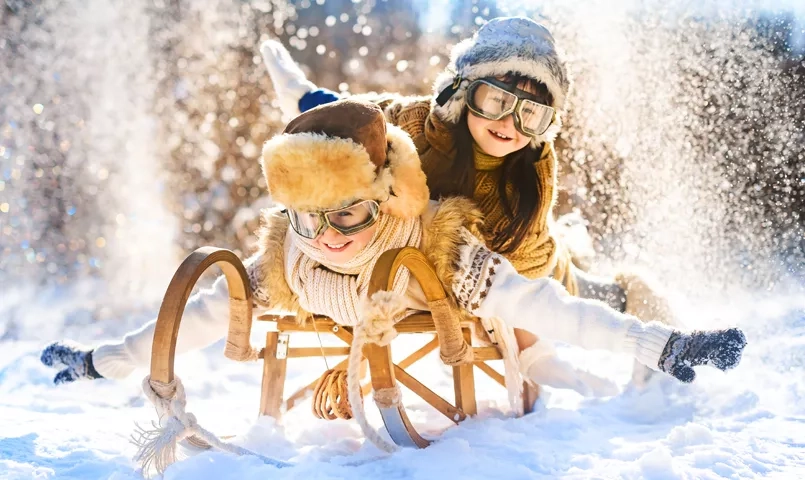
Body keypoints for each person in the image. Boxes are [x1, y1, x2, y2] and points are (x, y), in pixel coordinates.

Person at [42, 100, 745, 406]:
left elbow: (544, 305)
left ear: (382, 194)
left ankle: (631, 347)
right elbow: (197, 316)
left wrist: (661, 345)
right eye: (308, 215)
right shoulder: (290, 253)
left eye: (347, 211)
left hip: (446, 300)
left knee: (536, 334)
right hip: (344, 318)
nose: (328, 233)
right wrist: (102, 362)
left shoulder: (435, 245)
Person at [260, 16, 679, 389]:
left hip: (529, 267)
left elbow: (520, 286)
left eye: (531, 115)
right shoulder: (415, 125)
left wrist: (525, 344)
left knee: (592, 294)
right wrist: (299, 94)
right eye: (496, 101)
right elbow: (350, 119)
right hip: (431, 252)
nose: (509, 123)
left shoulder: (530, 177)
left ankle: (645, 304)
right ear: (463, 92)